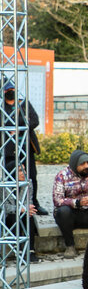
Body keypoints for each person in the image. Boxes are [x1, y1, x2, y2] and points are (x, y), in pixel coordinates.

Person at [2, 82, 48, 215]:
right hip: (9, 150)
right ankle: (12, 206)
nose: (11, 91)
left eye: (12, 89)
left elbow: (34, 120)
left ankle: (34, 203)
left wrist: (16, 127)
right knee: (10, 177)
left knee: (31, 176)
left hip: (27, 148)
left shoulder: (23, 103)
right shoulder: (2, 106)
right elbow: (3, 123)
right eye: (8, 90)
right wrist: (22, 121)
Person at [2, 161, 39, 262]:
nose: (25, 173)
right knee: (15, 218)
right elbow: (4, 207)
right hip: (7, 217)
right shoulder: (3, 185)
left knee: (29, 217)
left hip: (23, 214)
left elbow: (29, 202)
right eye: (20, 171)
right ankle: (17, 250)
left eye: (24, 170)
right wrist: (20, 209)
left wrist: (26, 209)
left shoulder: (28, 183)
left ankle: (30, 251)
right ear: (12, 172)